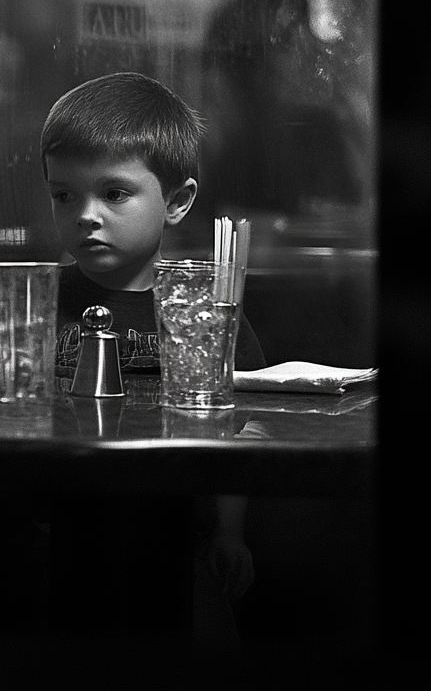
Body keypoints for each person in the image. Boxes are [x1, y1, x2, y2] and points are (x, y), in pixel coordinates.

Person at [38, 71, 265, 648]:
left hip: (178, 532)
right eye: (64, 194)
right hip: (56, 534)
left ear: (178, 201)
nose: (85, 214)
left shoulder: (207, 316)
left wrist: (230, 533)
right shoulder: (36, 307)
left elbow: (234, 432)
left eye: (114, 193)